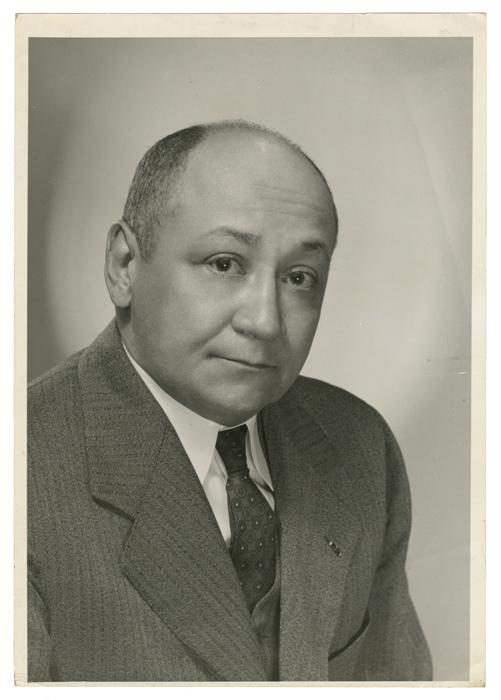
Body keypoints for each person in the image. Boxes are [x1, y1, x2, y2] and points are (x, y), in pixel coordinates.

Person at [27, 120, 432, 682]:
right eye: (224, 264)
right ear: (124, 267)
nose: (264, 321)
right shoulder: (22, 469)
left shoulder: (360, 444)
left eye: (299, 277)